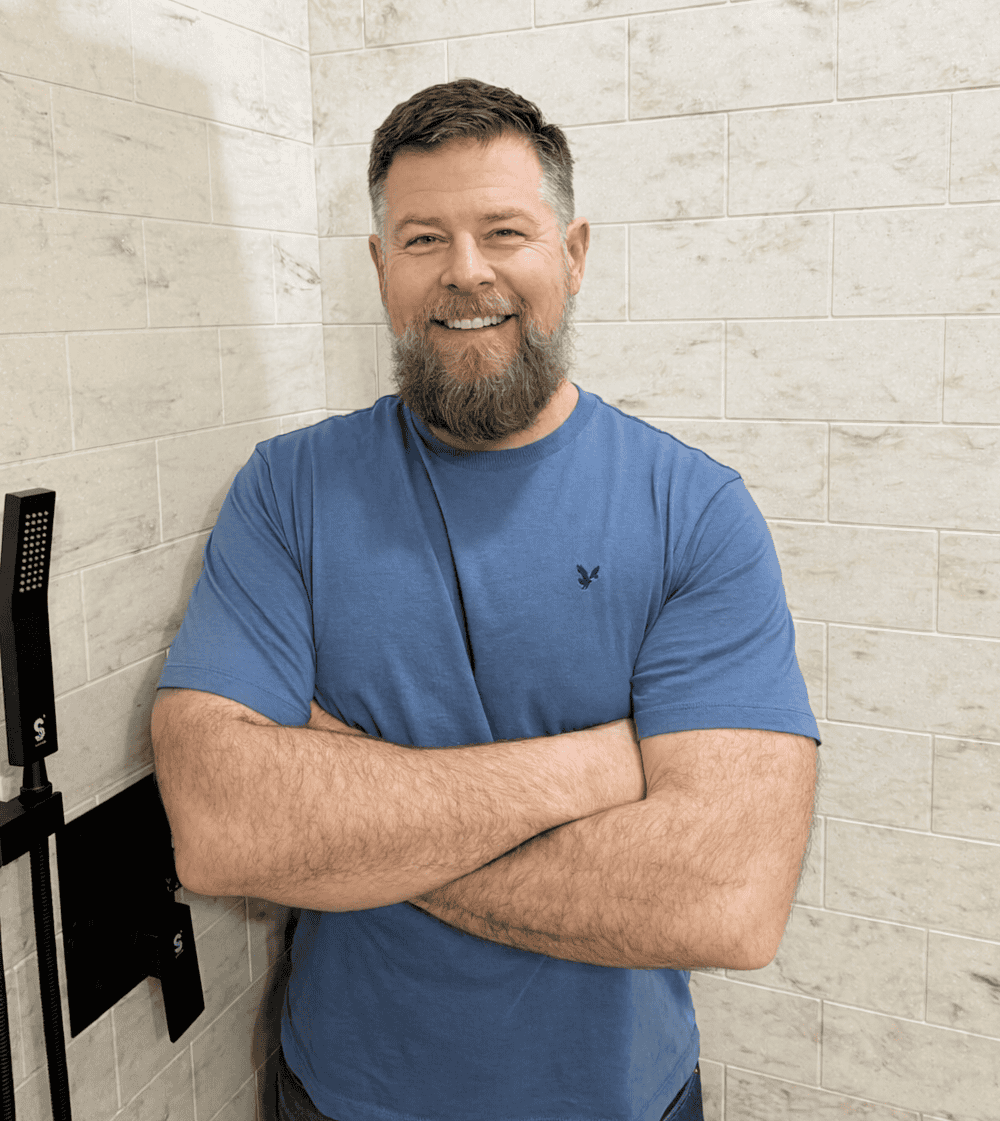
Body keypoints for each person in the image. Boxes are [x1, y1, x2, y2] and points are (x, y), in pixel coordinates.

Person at [151, 78, 819, 1121]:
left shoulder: (693, 510)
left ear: (574, 253)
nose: (466, 273)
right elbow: (223, 830)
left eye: (504, 230)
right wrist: (596, 764)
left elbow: (726, 897)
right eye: (422, 239)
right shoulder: (287, 490)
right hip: (340, 1095)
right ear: (381, 269)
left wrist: (354, 820)